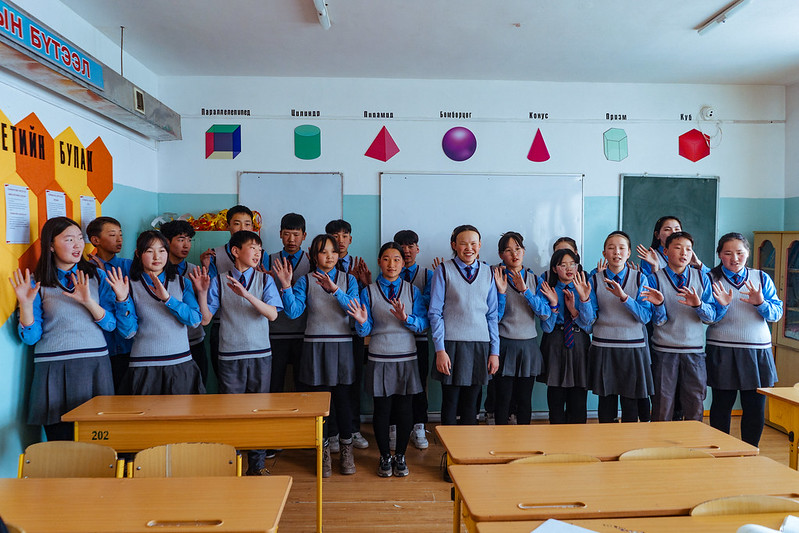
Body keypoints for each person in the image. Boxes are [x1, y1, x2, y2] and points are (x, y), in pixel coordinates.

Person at [10, 217, 133, 441]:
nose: (78, 245)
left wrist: (88, 302)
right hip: (53, 368)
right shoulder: (36, 283)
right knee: (61, 444)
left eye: (79, 238)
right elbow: (31, 337)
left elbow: (112, 325)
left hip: (94, 364)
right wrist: (26, 306)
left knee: (99, 442)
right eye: (69, 239)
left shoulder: (97, 277)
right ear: (50, 245)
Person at [192, 230, 281, 475]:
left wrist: (247, 295)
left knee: (259, 412)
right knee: (232, 413)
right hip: (230, 355)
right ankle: (233, 464)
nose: (257, 253)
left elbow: (272, 314)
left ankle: (258, 465)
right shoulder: (219, 280)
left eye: (260, 250)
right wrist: (201, 293)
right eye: (252, 248)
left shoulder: (265, 280)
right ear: (235, 251)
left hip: (260, 354)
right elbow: (206, 320)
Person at [274, 233, 360, 476]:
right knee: (318, 405)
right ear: (314, 255)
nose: (330, 256)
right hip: (314, 346)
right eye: (324, 252)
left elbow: (353, 309)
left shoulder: (348, 279)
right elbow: (293, 313)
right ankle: (322, 453)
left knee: (342, 401)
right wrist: (286, 286)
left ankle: (346, 451)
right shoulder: (305, 280)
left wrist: (335, 290)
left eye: (333, 251)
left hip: (341, 347)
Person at [348, 242, 428, 477]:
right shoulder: (368, 291)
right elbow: (365, 331)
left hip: (406, 357)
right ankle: (384, 456)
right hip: (379, 357)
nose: (391, 264)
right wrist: (362, 322)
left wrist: (407, 318)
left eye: (396, 259)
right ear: (379, 262)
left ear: (403, 263)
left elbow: (423, 325)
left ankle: (400, 456)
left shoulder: (413, 291)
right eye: (386, 258)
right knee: (381, 410)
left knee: (405, 410)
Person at [429, 225, 499, 480]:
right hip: (452, 345)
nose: (468, 248)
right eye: (463, 243)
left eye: (473, 243)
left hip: (480, 345)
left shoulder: (488, 272)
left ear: (480, 246)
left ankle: (468, 458)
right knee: (450, 404)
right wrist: (440, 350)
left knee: (472, 406)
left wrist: (495, 352)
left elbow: (492, 315)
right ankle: (449, 458)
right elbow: (435, 312)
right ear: (453, 245)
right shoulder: (444, 270)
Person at [706, 233, 783, 446]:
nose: (735, 258)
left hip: (757, 351)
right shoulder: (712, 279)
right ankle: (720, 451)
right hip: (722, 348)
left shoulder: (761, 278)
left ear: (747, 254)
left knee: (755, 406)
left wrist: (760, 303)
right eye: (728, 253)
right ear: (720, 255)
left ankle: (750, 452)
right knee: (722, 404)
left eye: (740, 253)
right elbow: (706, 317)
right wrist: (722, 306)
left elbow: (776, 314)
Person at [642, 231, 719, 422]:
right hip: (664, 351)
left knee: (694, 404)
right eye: (678, 248)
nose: (684, 253)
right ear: (666, 251)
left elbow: (711, 318)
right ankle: (659, 450)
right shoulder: (654, 279)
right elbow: (657, 321)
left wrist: (698, 305)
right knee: (662, 404)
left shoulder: (702, 278)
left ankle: (693, 449)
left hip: (694, 352)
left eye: (688, 249)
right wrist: (659, 305)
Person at [117, 230, 205, 395]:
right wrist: (122, 300)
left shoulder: (181, 282)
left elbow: (195, 320)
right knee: (146, 418)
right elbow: (128, 332)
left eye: (162, 251)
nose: (157, 257)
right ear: (138, 254)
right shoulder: (128, 285)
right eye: (149, 251)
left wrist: (168, 299)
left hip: (181, 362)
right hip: (144, 365)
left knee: (183, 417)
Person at [588, 231, 654, 423]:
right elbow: (589, 320)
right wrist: (583, 301)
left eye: (621, 248)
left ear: (629, 253)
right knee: (606, 405)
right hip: (604, 347)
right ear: (604, 253)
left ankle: (630, 448)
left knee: (630, 405)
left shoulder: (640, 279)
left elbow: (645, 316)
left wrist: (624, 298)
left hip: (632, 348)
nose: (616, 252)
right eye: (611, 248)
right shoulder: (594, 280)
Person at [493, 232, 557, 425]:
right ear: (500, 254)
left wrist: (525, 291)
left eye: (518, 249)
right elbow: (492, 316)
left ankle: (524, 442)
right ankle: (500, 443)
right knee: (502, 399)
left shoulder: (535, 280)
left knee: (524, 400)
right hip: (504, 345)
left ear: (524, 251)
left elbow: (545, 314)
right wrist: (502, 292)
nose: (514, 254)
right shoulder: (495, 277)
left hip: (528, 346)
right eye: (508, 250)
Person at [325, 219, 371, 451]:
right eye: (335, 236)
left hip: (352, 333)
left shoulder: (357, 266)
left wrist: (364, 283)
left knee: (351, 383)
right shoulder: (321, 263)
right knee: (330, 385)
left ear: (350, 239)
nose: (340, 240)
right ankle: (332, 431)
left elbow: (364, 301)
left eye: (344, 236)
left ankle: (353, 429)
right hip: (328, 333)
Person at [200, 205, 256, 378]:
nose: (242, 228)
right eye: (237, 223)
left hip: (251, 323)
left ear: (253, 228)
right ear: (228, 226)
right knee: (225, 379)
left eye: (247, 224)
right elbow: (209, 290)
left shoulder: (259, 254)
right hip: (222, 323)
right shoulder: (214, 255)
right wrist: (206, 266)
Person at [539, 248, 593, 424]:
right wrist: (554, 305)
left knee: (578, 399)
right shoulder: (548, 289)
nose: (569, 268)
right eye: (563, 265)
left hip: (579, 342)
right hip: (554, 341)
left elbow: (588, 324)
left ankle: (578, 445)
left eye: (572, 264)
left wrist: (576, 308)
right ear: (554, 269)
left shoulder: (584, 287)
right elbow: (546, 327)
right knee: (555, 397)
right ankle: (556, 444)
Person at [393, 229, 432, 449]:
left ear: (417, 249)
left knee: (419, 384)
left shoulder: (428, 275)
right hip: (394, 340)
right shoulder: (388, 274)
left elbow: (427, 307)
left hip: (419, 339)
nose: (406, 251)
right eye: (402, 246)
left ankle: (419, 426)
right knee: (395, 385)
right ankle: (396, 426)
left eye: (410, 246)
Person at [86, 215, 133, 390]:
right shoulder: (85, 269)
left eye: (120, 234)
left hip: (128, 343)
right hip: (100, 345)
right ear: (95, 240)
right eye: (112, 235)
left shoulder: (128, 265)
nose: (119, 239)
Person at [161, 219, 208, 385]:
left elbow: (205, 307)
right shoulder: (157, 273)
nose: (186, 245)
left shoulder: (196, 271)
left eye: (189, 240)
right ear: (166, 241)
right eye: (181, 240)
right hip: (166, 344)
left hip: (194, 340)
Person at [267, 213, 310, 395]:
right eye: (286, 234)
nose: (291, 239)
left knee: (303, 384)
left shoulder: (313, 261)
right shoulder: (268, 259)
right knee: (275, 382)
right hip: (275, 332)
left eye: (296, 234)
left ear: (304, 236)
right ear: (280, 234)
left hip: (303, 332)